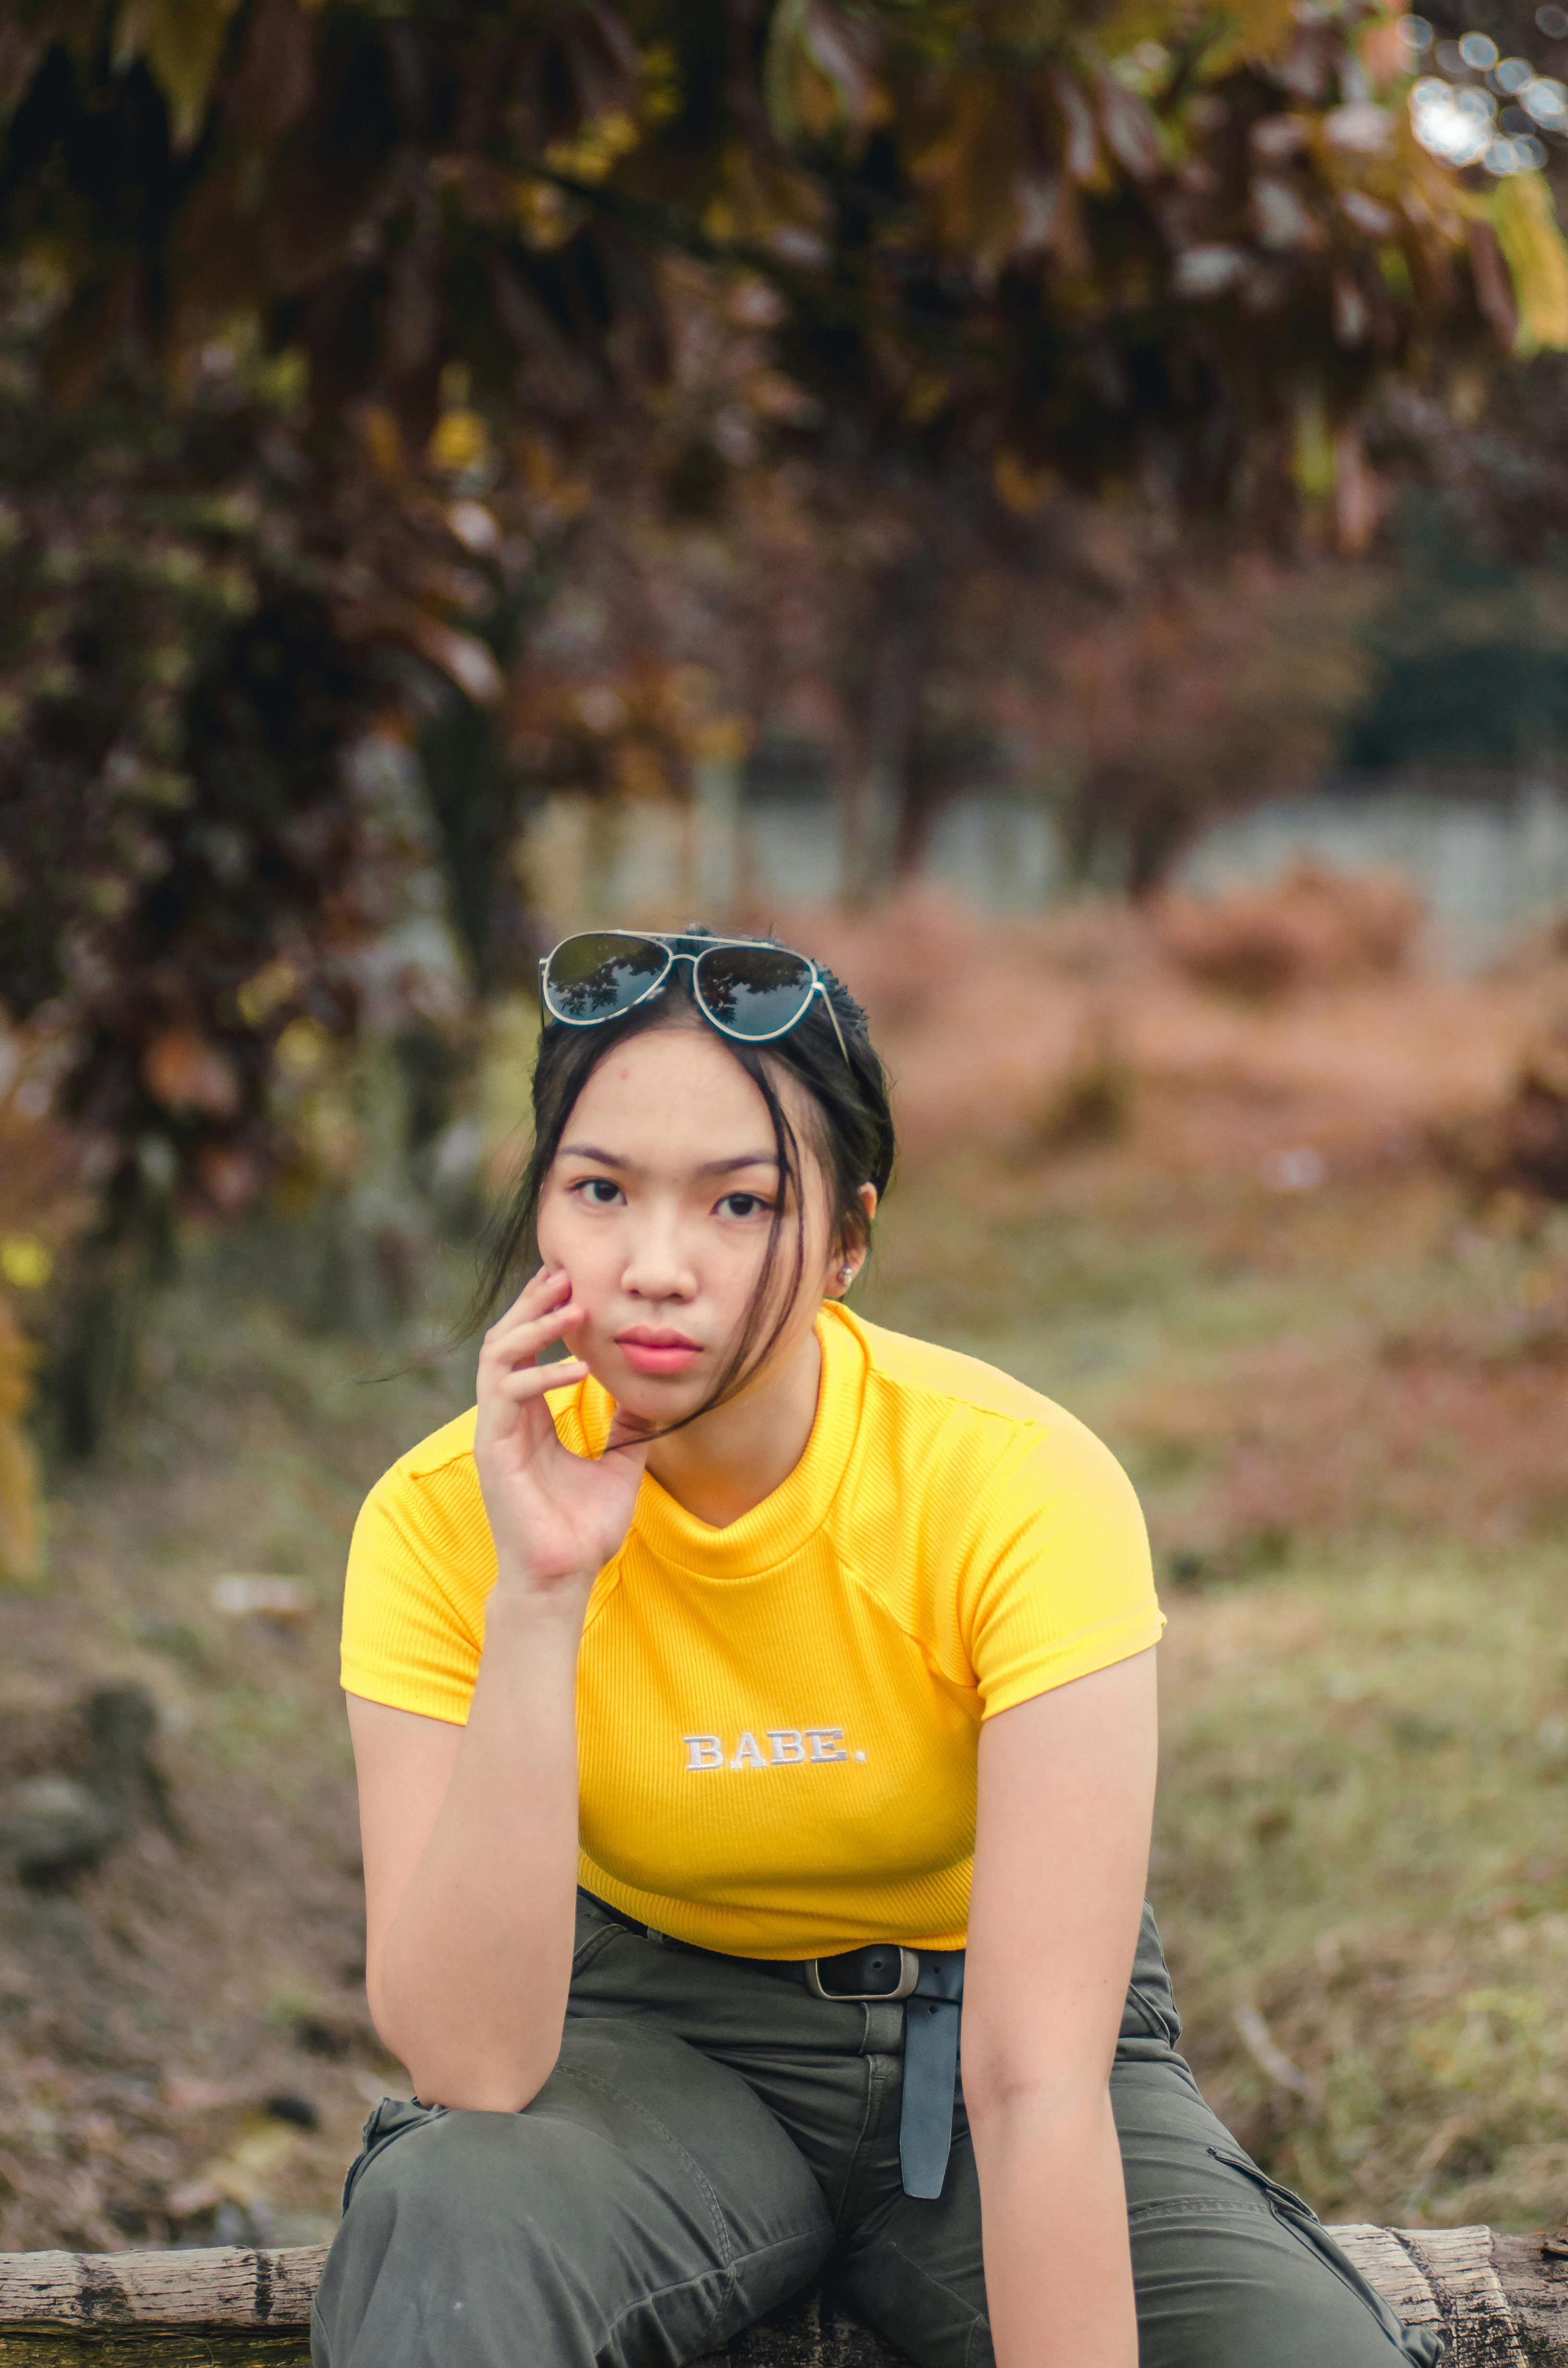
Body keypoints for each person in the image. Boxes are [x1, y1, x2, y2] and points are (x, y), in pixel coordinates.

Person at [313, 927, 1440, 2368]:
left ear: (846, 1241)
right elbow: (472, 2065)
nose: (658, 1267)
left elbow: (1038, 2084)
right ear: (543, 1210)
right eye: (602, 1191)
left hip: (995, 2036)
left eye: (741, 1206)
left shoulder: (1017, 1486)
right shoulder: (435, 1521)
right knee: (445, 2220)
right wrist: (539, 1600)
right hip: (653, 2042)